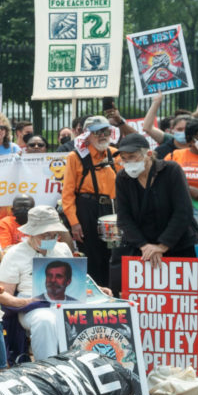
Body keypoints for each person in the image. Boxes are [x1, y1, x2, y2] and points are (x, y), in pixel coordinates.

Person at [114, 133, 198, 282]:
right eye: (124, 158)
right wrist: (144, 246)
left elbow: (183, 211)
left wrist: (162, 246)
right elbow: (124, 217)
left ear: (148, 154)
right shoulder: (122, 178)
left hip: (177, 244)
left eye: (132, 157)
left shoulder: (171, 170)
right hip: (142, 249)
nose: (128, 162)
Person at [0, 206, 73, 361]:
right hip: (31, 305)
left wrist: (98, 289)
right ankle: (48, 368)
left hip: (65, 301)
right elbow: (2, 294)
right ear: (31, 233)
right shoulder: (15, 254)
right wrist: (26, 301)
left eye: (54, 235)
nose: (51, 239)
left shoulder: (63, 249)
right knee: (45, 320)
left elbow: (78, 279)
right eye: (45, 235)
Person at [61, 115, 119, 286]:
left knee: (113, 255)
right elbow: (68, 193)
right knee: (92, 256)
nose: (102, 135)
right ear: (87, 135)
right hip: (87, 209)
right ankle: (94, 294)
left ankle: (112, 292)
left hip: (112, 210)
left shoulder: (116, 155)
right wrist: (74, 223)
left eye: (105, 131)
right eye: (97, 132)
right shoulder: (75, 157)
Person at [164, 115, 198, 202]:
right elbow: (161, 182)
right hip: (180, 210)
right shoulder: (174, 156)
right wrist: (188, 189)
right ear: (190, 139)